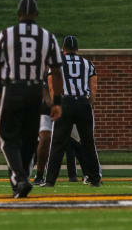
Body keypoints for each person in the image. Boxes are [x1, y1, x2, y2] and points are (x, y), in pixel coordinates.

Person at [0, 0, 63, 198]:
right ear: (36, 15)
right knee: (30, 139)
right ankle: (20, 181)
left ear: (18, 14)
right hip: (35, 91)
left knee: (7, 137)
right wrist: (57, 102)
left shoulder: (7, 34)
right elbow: (56, 71)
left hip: (12, 88)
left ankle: (20, 178)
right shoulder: (48, 36)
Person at [42, 35, 102, 187]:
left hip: (65, 102)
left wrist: (56, 104)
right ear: (77, 49)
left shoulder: (57, 63)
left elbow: (51, 86)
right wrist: (88, 104)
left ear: (63, 49)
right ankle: (95, 178)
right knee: (88, 143)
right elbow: (93, 89)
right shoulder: (88, 63)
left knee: (57, 143)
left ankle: (50, 181)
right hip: (83, 102)